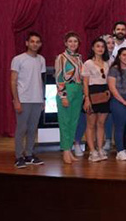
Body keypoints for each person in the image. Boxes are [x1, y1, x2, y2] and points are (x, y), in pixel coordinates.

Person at [10, 32, 46, 168]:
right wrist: (16, 100)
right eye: (32, 41)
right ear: (27, 43)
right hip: (23, 99)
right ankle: (19, 156)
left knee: (32, 129)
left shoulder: (41, 59)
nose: (35, 44)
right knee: (21, 129)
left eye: (37, 42)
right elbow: (13, 81)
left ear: (40, 44)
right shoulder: (18, 59)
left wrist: (42, 99)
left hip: (37, 100)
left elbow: (40, 80)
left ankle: (29, 154)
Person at [54, 32, 84, 164]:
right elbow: (59, 77)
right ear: (66, 43)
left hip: (78, 90)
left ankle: (70, 149)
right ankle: (65, 150)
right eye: (70, 41)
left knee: (74, 121)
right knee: (65, 121)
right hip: (67, 89)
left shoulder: (79, 58)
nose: (73, 44)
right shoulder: (61, 58)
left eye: (75, 42)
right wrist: (63, 95)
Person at [82, 39, 112, 162]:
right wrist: (87, 98)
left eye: (102, 47)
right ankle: (92, 151)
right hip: (92, 93)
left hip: (104, 94)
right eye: (97, 46)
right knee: (91, 125)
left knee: (101, 124)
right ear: (93, 48)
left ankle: (100, 149)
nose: (100, 49)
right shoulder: (88, 63)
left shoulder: (107, 63)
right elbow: (85, 83)